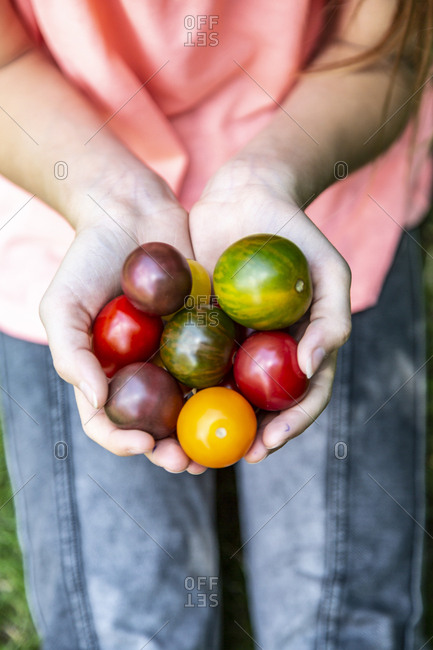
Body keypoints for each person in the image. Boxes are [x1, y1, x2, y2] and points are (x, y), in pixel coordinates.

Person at [0, 0, 432, 648]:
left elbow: (385, 56)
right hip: (71, 217)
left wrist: (273, 177)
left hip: (314, 211)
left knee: (346, 630)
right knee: (127, 634)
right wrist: (105, 197)